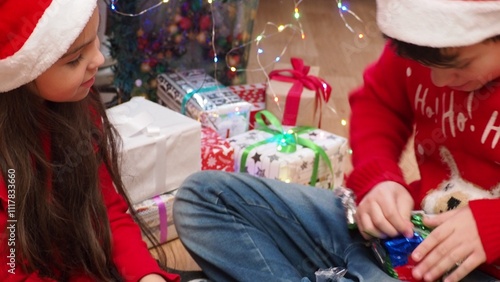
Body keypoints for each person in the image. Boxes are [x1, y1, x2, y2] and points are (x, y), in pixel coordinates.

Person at [173, 0, 500, 281]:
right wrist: (379, 179)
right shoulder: (421, 42)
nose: (438, 80)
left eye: (459, 66)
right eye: (423, 65)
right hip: (398, 239)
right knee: (202, 198)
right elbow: (379, 104)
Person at [0, 1, 179, 281]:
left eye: (95, 38)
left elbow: (105, 209)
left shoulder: (81, 107)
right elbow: (10, 268)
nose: (97, 59)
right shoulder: (8, 167)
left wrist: (146, 274)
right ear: (21, 73)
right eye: (75, 59)